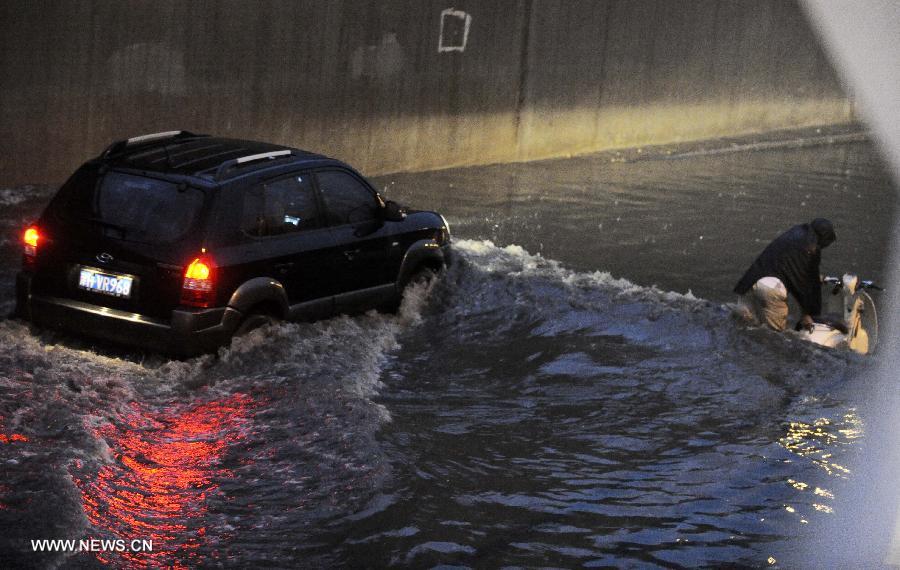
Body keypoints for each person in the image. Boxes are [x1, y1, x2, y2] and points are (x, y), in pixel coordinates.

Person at [733, 218, 836, 331]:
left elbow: (786, 264)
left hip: (751, 282)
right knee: (774, 337)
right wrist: (811, 315)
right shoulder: (810, 250)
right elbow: (809, 289)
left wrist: (816, 278)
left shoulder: (797, 231)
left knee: (742, 327)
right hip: (771, 289)